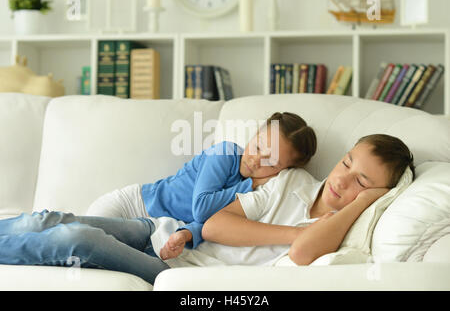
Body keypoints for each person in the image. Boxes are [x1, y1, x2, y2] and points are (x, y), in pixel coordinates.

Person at [0, 112, 317, 285]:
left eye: (271, 161)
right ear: (255, 132)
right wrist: (249, 186)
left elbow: (204, 223)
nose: (257, 158)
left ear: (284, 170)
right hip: (135, 206)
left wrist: (187, 232)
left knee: (76, 239)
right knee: (46, 222)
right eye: (258, 144)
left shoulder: (268, 191)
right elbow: (202, 207)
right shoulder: (227, 155)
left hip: (163, 231)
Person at [151, 134, 415, 270]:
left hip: (183, 269)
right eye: (346, 163)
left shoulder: (341, 232)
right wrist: (296, 233)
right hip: (170, 241)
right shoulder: (292, 180)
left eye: (362, 183)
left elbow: (301, 252)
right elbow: (212, 226)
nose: (342, 180)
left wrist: (362, 203)